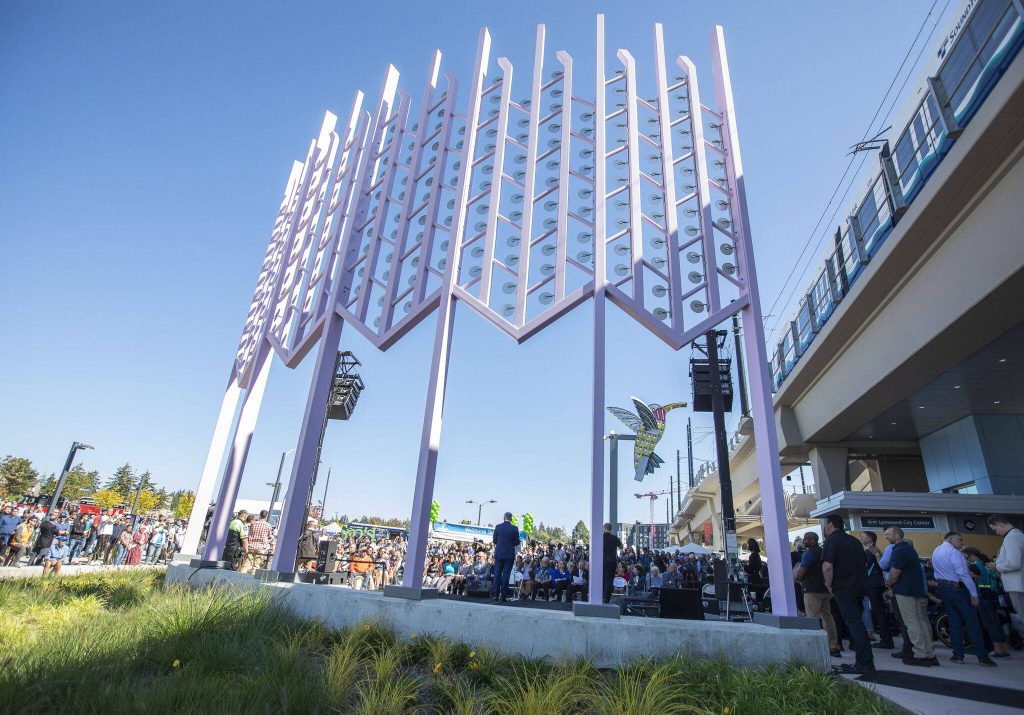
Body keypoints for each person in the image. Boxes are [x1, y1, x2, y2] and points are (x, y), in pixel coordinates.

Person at [931, 531, 995, 666]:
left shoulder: (936, 550)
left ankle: (958, 655)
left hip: (943, 587)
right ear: (950, 539)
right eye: (959, 540)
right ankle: (982, 656)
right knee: (972, 622)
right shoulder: (954, 553)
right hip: (957, 588)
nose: (962, 543)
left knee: (954, 622)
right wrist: (974, 594)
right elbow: (963, 574)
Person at [821, 514, 875, 674]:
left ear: (830, 524)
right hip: (859, 587)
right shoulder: (854, 541)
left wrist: (829, 584)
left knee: (854, 623)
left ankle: (864, 662)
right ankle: (864, 659)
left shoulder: (832, 541)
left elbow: (827, 567)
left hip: (843, 587)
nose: (824, 528)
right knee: (857, 622)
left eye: (825, 524)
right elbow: (863, 563)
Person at [882, 526, 935, 667]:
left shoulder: (899, 550)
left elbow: (894, 573)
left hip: (904, 591)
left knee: (911, 622)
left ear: (898, 534)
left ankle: (920, 653)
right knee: (920, 620)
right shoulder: (910, 549)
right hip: (915, 590)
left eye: (888, 534)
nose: (886, 537)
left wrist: (889, 584)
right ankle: (928, 652)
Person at [796, 531, 841, 658]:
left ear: (811, 540)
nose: (803, 541)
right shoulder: (823, 552)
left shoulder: (808, 554)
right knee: (828, 617)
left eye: (805, 538)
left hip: (811, 589)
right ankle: (833, 645)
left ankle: (813, 646)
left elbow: (801, 573)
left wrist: (799, 579)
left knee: (812, 618)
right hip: (825, 589)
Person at [963, 546, 1010, 658]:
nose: (966, 559)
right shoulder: (987, 564)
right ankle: (1004, 649)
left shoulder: (974, 566)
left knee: (990, 624)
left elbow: (969, 580)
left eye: (966, 556)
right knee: (996, 623)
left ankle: (998, 650)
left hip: (983, 596)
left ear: (971, 555)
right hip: (994, 596)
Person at [859, 530, 894, 649]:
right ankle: (886, 638)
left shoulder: (870, 551)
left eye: (863, 536)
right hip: (877, 583)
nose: (861, 538)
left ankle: (886, 640)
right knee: (879, 611)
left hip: (873, 584)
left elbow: (865, 566)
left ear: (869, 539)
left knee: (879, 611)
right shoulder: (875, 550)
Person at [988, 514, 1023, 627]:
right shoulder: (1018, 535)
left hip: (1017, 586)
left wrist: (996, 566)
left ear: (1000, 525)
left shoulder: (1011, 538)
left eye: (995, 529)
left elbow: (1014, 563)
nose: (997, 533)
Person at [491, 512, 519, 602]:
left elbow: (494, 541)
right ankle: (503, 596)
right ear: (511, 518)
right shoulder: (514, 528)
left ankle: (495, 595)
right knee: (506, 575)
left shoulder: (498, 527)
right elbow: (517, 542)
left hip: (499, 554)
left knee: (497, 575)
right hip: (509, 554)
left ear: (504, 517)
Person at [603, 523, 623, 603]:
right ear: (611, 529)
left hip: (603, 560)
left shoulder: (601, 537)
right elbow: (621, 547)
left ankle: (601, 596)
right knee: (610, 580)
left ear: (604, 528)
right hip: (612, 561)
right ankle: (606, 598)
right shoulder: (615, 538)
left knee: (602, 578)